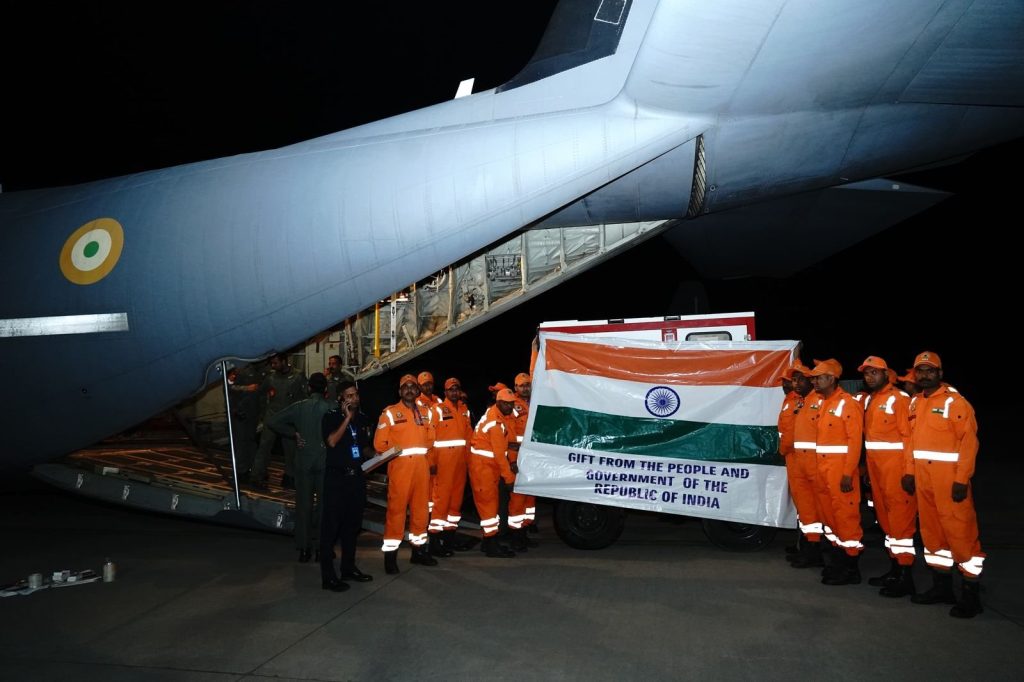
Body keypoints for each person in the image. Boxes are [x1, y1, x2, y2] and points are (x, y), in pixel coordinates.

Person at [903, 351, 985, 618]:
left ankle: (971, 594)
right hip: (924, 481)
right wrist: (909, 472)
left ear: (940, 373)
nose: (924, 375)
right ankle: (942, 588)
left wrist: (962, 479)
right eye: (920, 371)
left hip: (950, 481)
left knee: (960, 534)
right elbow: (910, 443)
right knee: (932, 533)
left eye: (929, 370)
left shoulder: (956, 403)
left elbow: (968, 443)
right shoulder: (915, 403)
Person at [859, 355, 917, 597]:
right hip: (878, 472)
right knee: (887, 523)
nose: (870, 377)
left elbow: (909, 439)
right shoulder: (872, 400)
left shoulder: (899, 399)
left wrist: (909, 472)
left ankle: (905, 577)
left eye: (874, 372)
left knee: (901, 524)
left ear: (885, 374)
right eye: (866, 373)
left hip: (897, 473)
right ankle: (894, 569)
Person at [807, 358, 865, 585]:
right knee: (830, 517)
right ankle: (838, 561)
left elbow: (854, 441)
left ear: (831, 379)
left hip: (841, 473)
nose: (815, 382)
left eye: (818, 378)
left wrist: (848, 473)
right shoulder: (824, 403)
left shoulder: (847, 404)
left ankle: (851, 568)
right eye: (813, 378)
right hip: (824, 471)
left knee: (846, 518)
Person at [266, 372, 334, 563]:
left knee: (303, 506)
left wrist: (293, 434)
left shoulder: (299, 407)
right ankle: (322, 548)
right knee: (323, 507)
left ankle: (304, 549)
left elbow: (272, 421)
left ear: (308, 388)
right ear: (326, 390)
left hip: (303, 462)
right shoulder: (331, 407)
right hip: (324, 461)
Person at [373, 374, 437, 574]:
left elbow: (430, 440)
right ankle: (390, 558)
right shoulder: (390, 413)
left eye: (413, 386)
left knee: (420, 512)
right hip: (401, 469)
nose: (409, 390)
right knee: (396, 512)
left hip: (421, 468)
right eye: (405, 387)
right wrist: (397, 452)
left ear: (418, 390)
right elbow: (379, 444)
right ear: (400, 391)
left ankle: (418, 552)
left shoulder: (426, 412)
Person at [320, 380, 373, 591]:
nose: (354, 399)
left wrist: (380, 455)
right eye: (349, 395)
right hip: (336, 479)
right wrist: (347, 419)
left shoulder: (363, 419)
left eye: (356, 395)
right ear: (341, 398)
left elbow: (363, 447)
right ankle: (328, 577)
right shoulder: (331, 417)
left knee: (352, 527)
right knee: (331, 528)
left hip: (356, 479)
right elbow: (332, 441)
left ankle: (348, 568)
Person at [779, 362, 826, 569]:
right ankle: (808, 547)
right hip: (795, 460)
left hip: (811, 463)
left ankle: (814, 549)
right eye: (793, 380)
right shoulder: (798, 401)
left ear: (812, 380)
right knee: (805, 509)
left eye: (800, 379)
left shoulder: (819, 401)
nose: (794, 383)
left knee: (814, 509)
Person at [469, 388, 518, 558]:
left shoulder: (498, 415)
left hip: (487, 466)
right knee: (489, 506)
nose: (509, 407)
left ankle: (488, 542)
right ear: (498, 403)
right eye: (505, 404)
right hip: (483, 468)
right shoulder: (495, 422)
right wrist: (509, 478)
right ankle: (491, 545)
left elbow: (507, 442)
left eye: (511, 404)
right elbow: (499, 454)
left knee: (490, 505)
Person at [427, 377, 472, 557]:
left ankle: (449, 539)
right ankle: (435, 542)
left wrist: (470, 461)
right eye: (451, 389)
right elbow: (429, 439)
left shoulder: (464, 410)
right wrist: (431, 462)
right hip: (443, 465)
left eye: (457, 389)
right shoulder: (436, 410)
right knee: (441, 503)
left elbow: (469, 438)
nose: (454, 392)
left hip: (460, 464)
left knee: (455, 503)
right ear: (445, 392)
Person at [252, 352, 306, 488]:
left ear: (284, 361)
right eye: (272, 363)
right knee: (264, 446)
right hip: (272, 416)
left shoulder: (298, 376)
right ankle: (257, 475)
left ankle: (290, 477)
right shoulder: (270, 378)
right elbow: (260, 393)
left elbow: (305, 398)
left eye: (275, 363)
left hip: (289, 418)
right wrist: (263, 413)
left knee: (290, 450)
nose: (273, 366)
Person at [507, 372, 537, 551]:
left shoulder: (534, 401)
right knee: (517, 497)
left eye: (528, 385)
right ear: (516, 387)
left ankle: (525, 531)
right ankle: (515, 536)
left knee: (529, 495)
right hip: (517, 455)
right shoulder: (511, 404)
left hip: (532, 456)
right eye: (522, 385)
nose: (526, 388)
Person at [226, 364, 261, 481]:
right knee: (241, 442)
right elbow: (228, 387)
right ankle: (242, 470)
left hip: (251, 411)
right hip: (240, 412)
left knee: (249, 441)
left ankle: (252, 469)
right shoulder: (235, 370)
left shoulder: (254, 370)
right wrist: (247, 388)